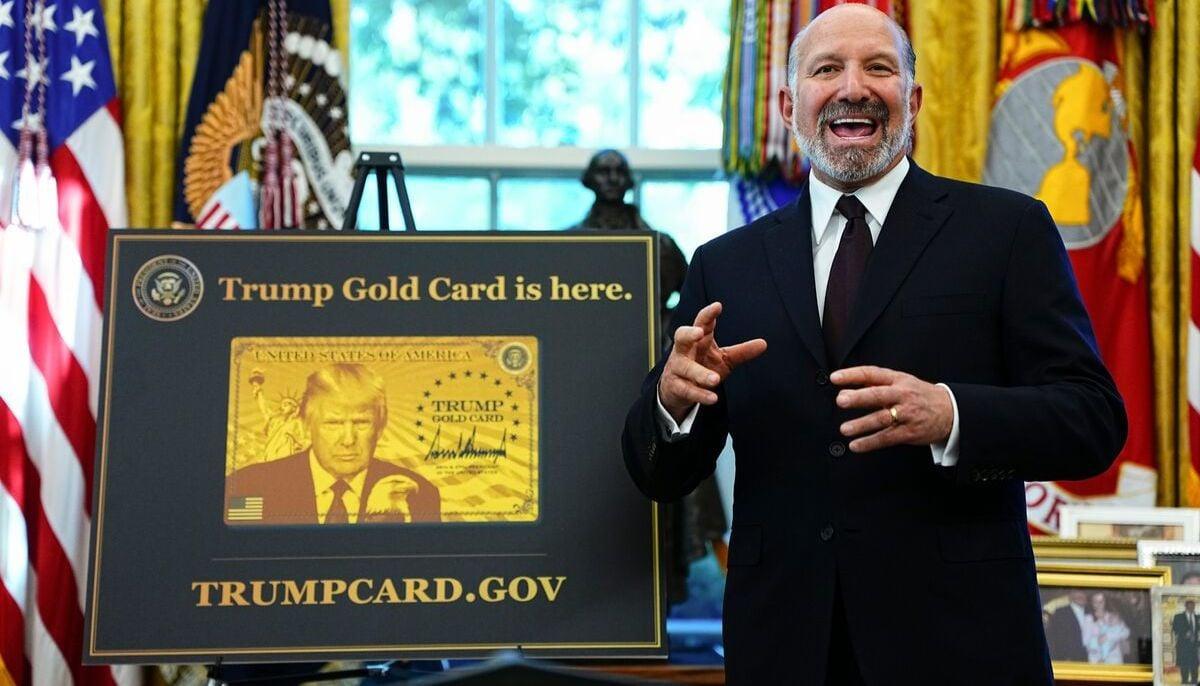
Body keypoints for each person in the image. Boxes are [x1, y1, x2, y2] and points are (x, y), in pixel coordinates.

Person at [620, 4, 1125, 684]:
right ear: (789, 105)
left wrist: (951, 414)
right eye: (827, 69)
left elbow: (1093, 420)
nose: (853, 87)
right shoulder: (725, 265)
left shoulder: (1007, 232)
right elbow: (659, 475)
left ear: (912, 101)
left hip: (961, 649)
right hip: (786, 651)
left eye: (879, 68)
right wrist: (673, 402)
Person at [228, 363, 440, 524]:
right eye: (333, 423)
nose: (348, 440)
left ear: (380, 428)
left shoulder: (419, 494)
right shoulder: (249, 486)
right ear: (306, 426)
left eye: (361, 423)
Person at [1082, 592, 1130, 664]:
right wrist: (1097, 641)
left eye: (1101, 602)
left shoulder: (1113, 615)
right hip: (1096, 659)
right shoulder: (1088, 619)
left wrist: (1108, 636)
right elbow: (1085, 641)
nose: (1098, 605)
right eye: (1095, 602)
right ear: (1091, 603)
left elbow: (1126, 632)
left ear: (1105, 601)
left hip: (1114, 659)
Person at [1046, 590, 1090, 663]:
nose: (1081, 595)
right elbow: (1053, 639)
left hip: (1090, 662)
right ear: (1070, 594)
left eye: (1084, 591)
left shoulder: (1092, 611)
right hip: (1067, 661)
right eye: (1077, 591)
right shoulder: (1060, 613)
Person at [1174, 599, 1200, 684]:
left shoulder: (1198, 617)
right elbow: (1175, 629)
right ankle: (1185, 682)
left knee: (1194, 665)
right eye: (1190, 606)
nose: (1192, 608)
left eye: (1193, 606)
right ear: (1185, 606)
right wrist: (1184, 634)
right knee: (1184, 665)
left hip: (1194, 646)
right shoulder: (1178, 617)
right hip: (1183, 646)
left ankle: (1194, 682)